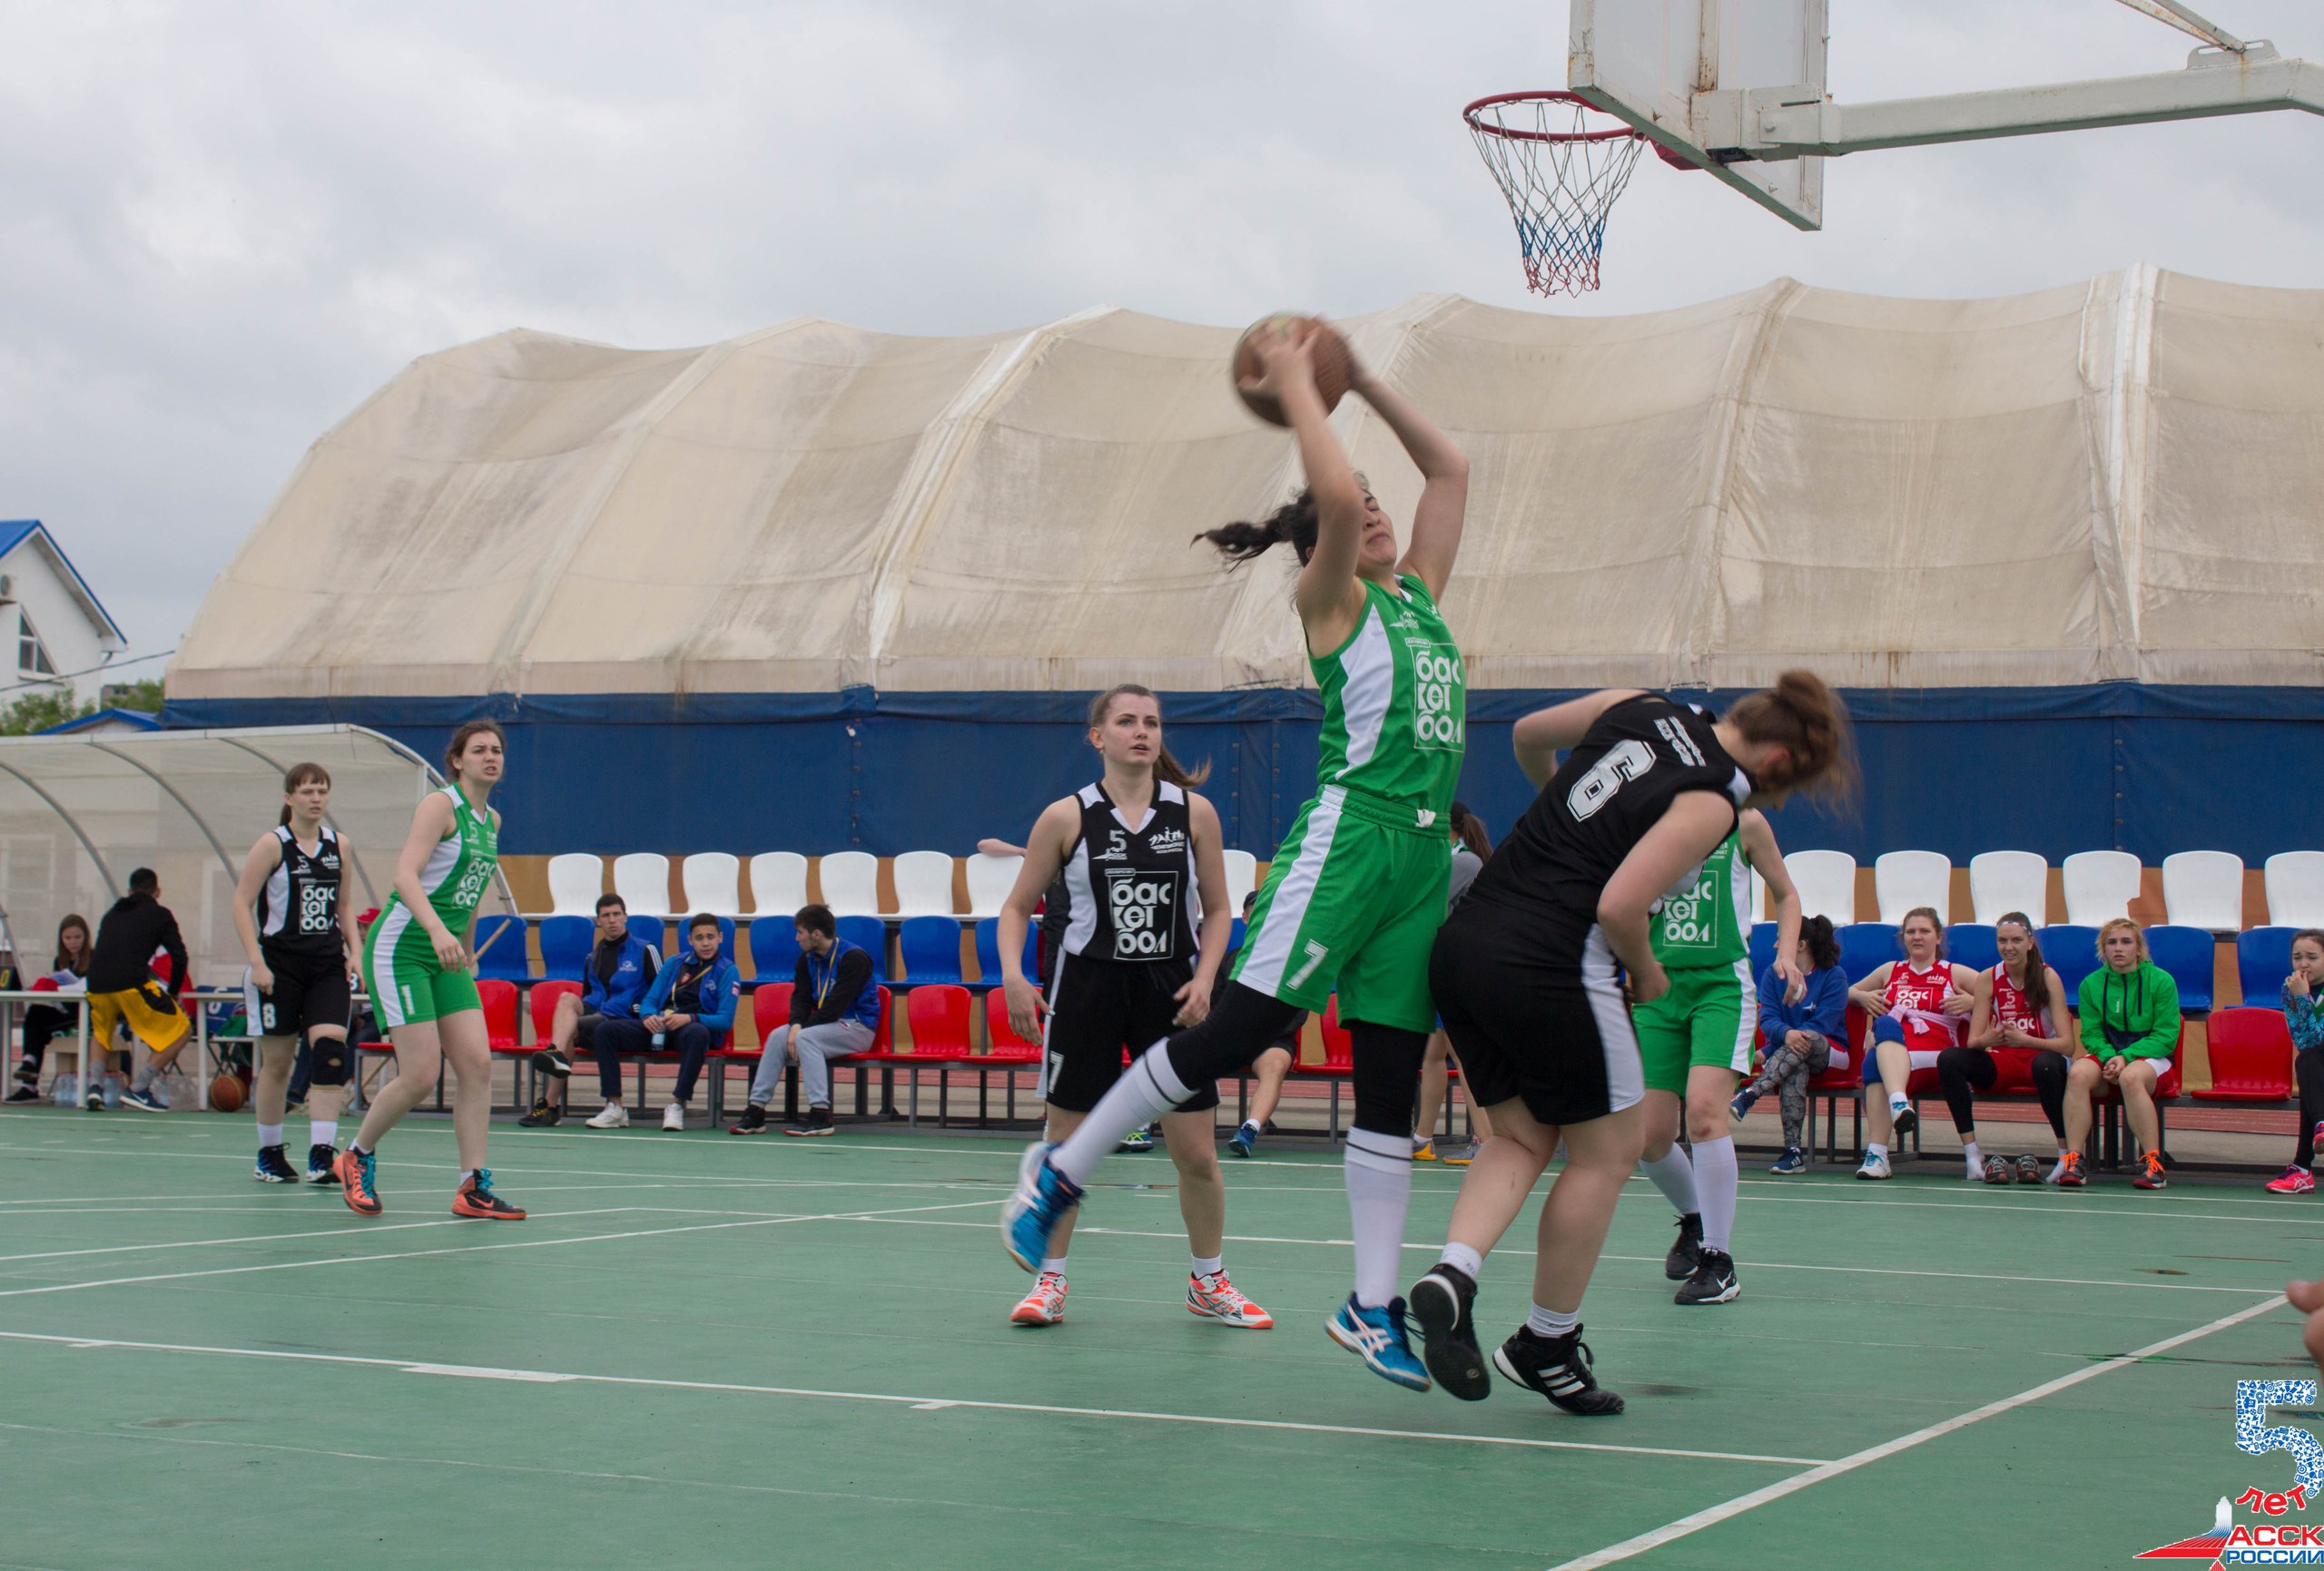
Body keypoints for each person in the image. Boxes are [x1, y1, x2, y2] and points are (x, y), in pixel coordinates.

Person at [1001, 319, 1472, 1391]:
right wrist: (1304, 386)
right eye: (1361, 507)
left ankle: (1370, 1306)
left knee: (1389, 1077)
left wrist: (1364, 378)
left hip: (1417, 860)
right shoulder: (1331, 601)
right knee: (1240, 1032)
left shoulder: (1421, 600)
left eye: (1382, 504)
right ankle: (1060, 1175)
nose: (1378, 510)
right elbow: (1337, 493)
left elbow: (1449, 467)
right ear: (1325, 546)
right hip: (1350, 839)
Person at [1403, 675, 1853, 1414]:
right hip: (1553, 959)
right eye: (1786, 790)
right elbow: (1618, 906)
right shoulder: (1712, 797)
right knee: (1609, 1152)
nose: (1773, 802)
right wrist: (1646, 972)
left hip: (1467, 944)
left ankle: (1454, 1273)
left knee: (1519, 1136)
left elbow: (1526, 734)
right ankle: (1546, 1342)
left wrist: (1561, 810)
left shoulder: (1639, 704)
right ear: (1776, 759)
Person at [994, 683, 1265, 1330]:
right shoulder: (1066, 817)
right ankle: (1049, 1281)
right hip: (1087, 987)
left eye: (1151, 721)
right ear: (1098, 737)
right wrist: (1011, 975)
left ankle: (1208, 1280)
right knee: (1065, 1144)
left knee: (1195, 1153)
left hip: (1170, 989)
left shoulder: (1193, 813)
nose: (1141, 731)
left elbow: (1219, 910)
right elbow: (1016, 907)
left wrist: (1207, 977)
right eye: (1126, 721)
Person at [337, 722, 524, 1221]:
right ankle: (356, 1155)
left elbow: (470, 890)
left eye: (497, 750)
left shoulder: (491, 821)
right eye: (479, 750)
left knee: (477, 1065)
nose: (491, 756)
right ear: (457, 760)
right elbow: (404, 875)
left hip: (447, 953)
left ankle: (472, 1186)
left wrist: (466, 946)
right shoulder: (440, 806)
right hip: (403, 946)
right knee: (420, 1074)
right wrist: (439, 932)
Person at [1630, 806, 1802, 1305]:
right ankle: (1695, 1218)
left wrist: (1786, 953)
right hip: (1658, 986)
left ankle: (1718, 1261)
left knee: (1705, 1114)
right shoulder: (1645, 817)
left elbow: (1787, 893)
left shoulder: (1744, 822)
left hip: (1721, 986)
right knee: (1648, 1136)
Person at [231, 762, 362, 1183]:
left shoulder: (339, 845)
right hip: (280, 967)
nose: (316, 798)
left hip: (326, 965)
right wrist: (256, 961)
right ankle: (269, 1154)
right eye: (307, 791)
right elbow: (241, 903)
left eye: (322, 790)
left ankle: (321, 1155)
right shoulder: (273, 845)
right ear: (289, 798)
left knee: (330, 1053)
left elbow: (344, 904)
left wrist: (356, 952)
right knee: (277, 1064)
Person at [1844, 908, 1977, 1180]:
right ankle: (1883, 1145)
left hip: (1934, 1058)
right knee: (1881, 1039)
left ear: (1938, 937)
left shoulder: (1954, 972)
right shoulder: (1890, 970)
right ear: (1903, 937)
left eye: (1925, 931)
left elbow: (1998, 994)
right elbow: (1847, 992)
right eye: (1911, 932)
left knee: (1877, 1051)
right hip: (1896, 1057)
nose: (1917, 937)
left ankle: (1880, 1148)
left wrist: (1973, 1001)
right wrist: (1861, 998)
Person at [1948, 913, 2075, 1185]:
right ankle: (1972, 1155)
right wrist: (1990, 1038)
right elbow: (1974, 1041)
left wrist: (2026, 1040)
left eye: (2016, 940)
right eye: (2002, 941)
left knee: (2046, 1065)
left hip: (2042, 1059)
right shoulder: (1988, 977)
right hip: (2006, 1060)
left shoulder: (2048, 976)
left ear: (2030, 942)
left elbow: (2067, 1045)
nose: (2009, 947)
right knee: (1950, 1059)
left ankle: (2065, 1156)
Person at [729, 904, 877, 1136]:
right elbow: (800, 998)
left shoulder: (854, 958)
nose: (796, 938)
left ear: (816, 934)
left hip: (858, 1027)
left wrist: (800, 1031)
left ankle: (821, 1114)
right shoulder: (806, 958)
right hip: (824, 1026)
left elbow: (835, 1006)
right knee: (777, 1036)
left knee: (806, 1038)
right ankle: (756, 1110)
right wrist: (796, 1024)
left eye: (800, 932)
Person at [2058, 917, 2181, 1191]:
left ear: (2138, 948)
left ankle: (2154, 1165)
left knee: (2131, 1078)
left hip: (2151, 1058)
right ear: (2103, 949)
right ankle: (2074, 1162)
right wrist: (2107, 1057)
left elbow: (2166, 1036)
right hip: (2109, 1056)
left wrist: (2126, 1056)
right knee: (2077, 1074)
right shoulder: (2090, 985)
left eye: (2126, 941)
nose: (2118, 948)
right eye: (2112, 942)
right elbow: (2091, 1034)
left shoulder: (2162, 981)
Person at [520, 893, 660, 1127]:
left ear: (626, 917)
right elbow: (591, 998)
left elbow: (662, 990)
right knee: (566, 999)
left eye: (616, 914)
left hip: (630, 1022)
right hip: (600, 1019)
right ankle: (555, 1054)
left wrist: (642, 1010)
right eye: (606, 916)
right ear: (598, 921)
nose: (612, 920)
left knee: (572, 1031)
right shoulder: (592, 958)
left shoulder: (646, 949)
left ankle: (550, 1105)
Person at [593, 913, 738, 1131]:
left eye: (710, 937)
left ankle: (677, 1105)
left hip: (690, 1031)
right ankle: (615, 1107)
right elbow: (650, 1000)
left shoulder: (727, 970)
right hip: (660, 1027)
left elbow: (725, 1020)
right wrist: (648, 1016)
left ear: (720, 938)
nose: (705, 943)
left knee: (698, 1033)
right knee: (605, 1030)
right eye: (699, 938)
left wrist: (690, 1018)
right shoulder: (674, 962)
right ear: (690, 940)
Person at [1730, 915, 1849, 1173]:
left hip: (1832, 1054)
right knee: (1796, 1067)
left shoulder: (1834, 976)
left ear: (1801, 945)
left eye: (1780, 940)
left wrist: (1775, 1046)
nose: (1775, 946)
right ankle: (1792, 1152)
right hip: (1792, 1055)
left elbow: (1824, 1025)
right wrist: (1785, 1036)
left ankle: (1752, 1093)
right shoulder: (1773, 975)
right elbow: (1768, 1019)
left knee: (1809, 1039)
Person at [1414, 804, 1496, 1167]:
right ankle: (1422, 1139)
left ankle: (1486, 1140)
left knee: (1463, 1056)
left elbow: (1425, 901)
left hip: (1460, 969)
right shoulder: (1453, 857)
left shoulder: (1465, 862)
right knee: (1433, 1055)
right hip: (1445, 966)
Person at [91, 869, 193, 1114]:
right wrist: (173, 991)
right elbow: (179, 957)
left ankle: (94, 1087)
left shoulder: (112, 914)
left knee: (102, 1030)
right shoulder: (160, 914)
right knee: (182, 1031)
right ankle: (138, 1088)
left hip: (96, 984)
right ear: (157, 892)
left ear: (129, 891)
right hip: (131, 983)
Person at [1226, 890, 1302, 1161]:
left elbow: (1296, 1011)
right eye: (1257, 911)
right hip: (1229, 1037)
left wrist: (1260, 1032)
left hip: (1272, 1040)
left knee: (1275, 1066)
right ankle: (1142, 1124)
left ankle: (1249, 1130)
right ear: (1245, 918)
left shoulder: (1292, 961)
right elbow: (1214, 1004)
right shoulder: (1230, 959)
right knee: (1188, 1056)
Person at [2266, 929, 2324, 1193]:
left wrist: (2304, 999)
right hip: (2317, 1066)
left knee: (2309, 1067)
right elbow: (2305, 1041)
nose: (2304, 964)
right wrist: (2300, 997)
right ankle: (2320, 1129)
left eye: (2312, 957)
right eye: (2297, 957)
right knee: (2307, 1062)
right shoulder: (2289, 989)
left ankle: (2301, 1168)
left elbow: (2320, 1039)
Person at [8, 914, 89, 1103]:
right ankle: (29, 1068)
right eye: (68, 938)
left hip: (86, 1013)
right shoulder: (60, 961)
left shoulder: (94, 958)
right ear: (62, 940)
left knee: (39, 1027)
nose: (73, 942)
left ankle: (29, 1077)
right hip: (67, 1010)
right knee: (35, 1013)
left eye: (77, 937)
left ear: (85, 937)